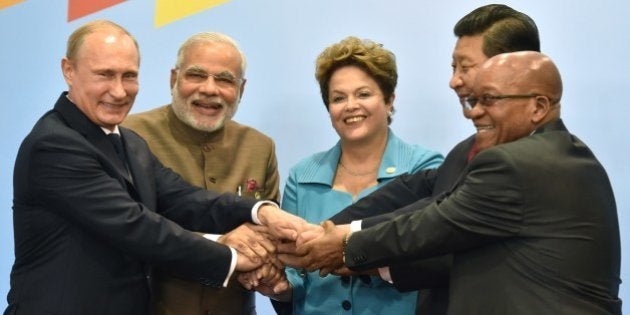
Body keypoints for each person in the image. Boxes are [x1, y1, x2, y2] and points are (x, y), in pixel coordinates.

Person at [283, 51, 622, 314]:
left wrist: (342, 243)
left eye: (489, 100)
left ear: (538, 107)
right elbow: (420, 199)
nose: (473, 112)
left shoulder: (516, 164)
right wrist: (334, 234)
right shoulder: (561, 152)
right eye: (473, 101)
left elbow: (431, 223)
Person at [5, 20, 304, 315]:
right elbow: (136, 227)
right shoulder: (55, 144)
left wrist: (261, 211)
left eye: (129, 76)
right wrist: (232, 255)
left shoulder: (128, 141)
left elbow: (183, 198)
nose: (119, 91)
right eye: (105, 75)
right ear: (69, 71)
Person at [295, 5, 543, 315]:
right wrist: (321, 233)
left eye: (466, 67)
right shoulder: (466, 151)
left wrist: (345, 246)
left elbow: (431, 225)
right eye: (453, 67)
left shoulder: (529, 159)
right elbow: (416, 192)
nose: (454, 81)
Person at [264, 36, 444, 314]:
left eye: (363, 94)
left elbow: (429, 261)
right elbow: (293, 275)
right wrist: (278, 287)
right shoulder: (302, 175)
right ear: (329, 109)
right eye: (338, 98)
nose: (350, 106)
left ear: (389, 100)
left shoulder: (425, 168)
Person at [123, 32, 279, 315]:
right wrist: (222, 245)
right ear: (174, 79)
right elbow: (128, 230)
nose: (209, 89)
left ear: (241, 90)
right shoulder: (130, 136)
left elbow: (268, 235)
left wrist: (262, 259)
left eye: (224, 79)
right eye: (196, 75)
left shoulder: (260, 146)